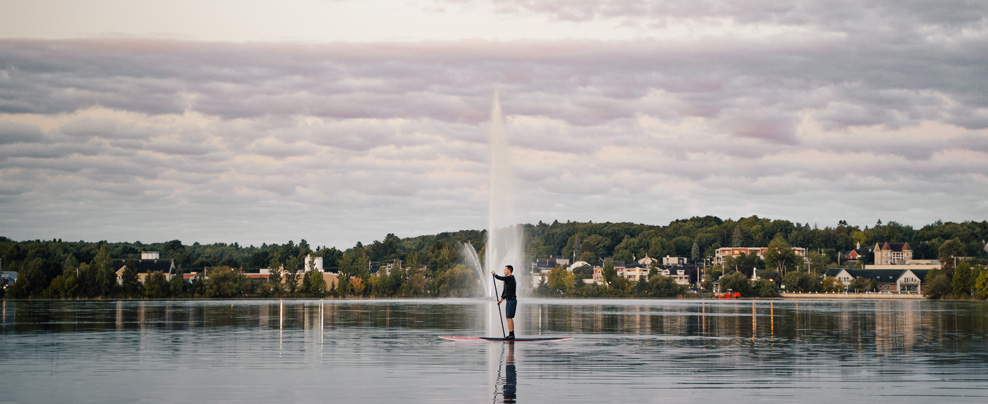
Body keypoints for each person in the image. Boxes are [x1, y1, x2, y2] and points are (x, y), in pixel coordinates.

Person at [492, 265, 517, 340]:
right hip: (509, 300)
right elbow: (506, 291)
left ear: (509, 270)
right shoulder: (508, 280)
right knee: (508, 317)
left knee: (509, 317)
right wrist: (501, 300)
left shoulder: (511, 278)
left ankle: (511, 335)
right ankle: (511, 334)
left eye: (505, 269)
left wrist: (494, 274)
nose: (504, 271)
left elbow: (499, 277)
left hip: (511, 300)